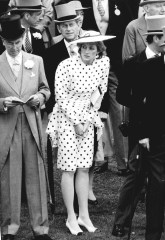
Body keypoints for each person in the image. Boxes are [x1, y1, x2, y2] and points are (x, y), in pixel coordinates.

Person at [46, 30, 114, 235]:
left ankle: (84, 215)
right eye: (84, 47)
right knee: (69, 169)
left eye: (92, 47)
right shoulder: (66, 65)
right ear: (79, 48)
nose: (87, 51)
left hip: (88, 118)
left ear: (98, 50)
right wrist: (76, 121)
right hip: (67, 119)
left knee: (84, 167)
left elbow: (100, 91)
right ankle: (70, 217)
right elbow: (61, 96)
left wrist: (88, 118)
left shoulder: (103, 63)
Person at [112, 14, 165, 238]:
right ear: (151, 38)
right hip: (139, 130)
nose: (164, 40)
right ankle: (121, 222)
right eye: (161, 36)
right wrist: (140, 101)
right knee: (135, 176)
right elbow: (123, 95)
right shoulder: (133, 64)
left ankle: (154, 229)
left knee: (156, 179)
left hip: (158, 130)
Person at [0, 14, 52, 240]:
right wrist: (2, 103)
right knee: (10, 177)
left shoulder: (36, 60)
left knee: (36, 175)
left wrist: (40, 98)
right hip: (7, 125)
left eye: (17, 42)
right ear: (2, 41)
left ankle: (40, 228)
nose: (14, 47)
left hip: (31, 123)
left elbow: (46, 89)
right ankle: (9, 228)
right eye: (9, 43)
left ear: (23, 39)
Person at [75, 0, 134, 175]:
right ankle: (99, 158)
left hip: (115, 65)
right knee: (94, 110)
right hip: (90, 65)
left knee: (118, 112)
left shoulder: (121, 2)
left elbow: (126, 29)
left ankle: (123, 163)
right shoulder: (83, 2)